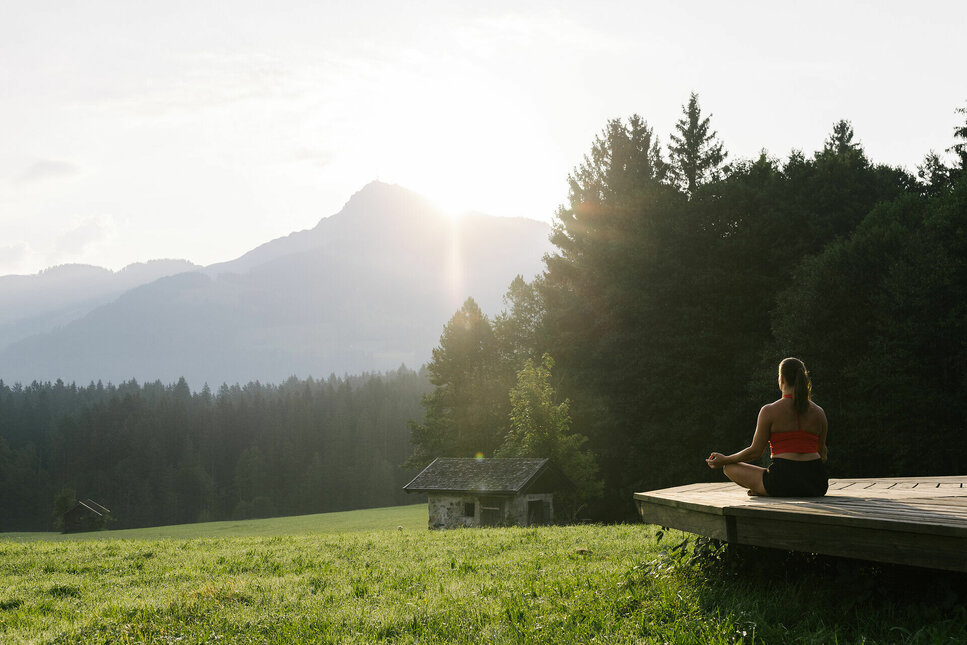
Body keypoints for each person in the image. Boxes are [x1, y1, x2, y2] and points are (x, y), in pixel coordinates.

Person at [706, 357, 828, 497]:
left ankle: (763, 489)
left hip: (781, 482)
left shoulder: (769, 411)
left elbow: (755, 452)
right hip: (817, 483)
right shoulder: (819, 412)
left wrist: (724, 460)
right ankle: (764, 488)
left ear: (781, 379)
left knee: (729, 468)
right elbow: (822, 454)